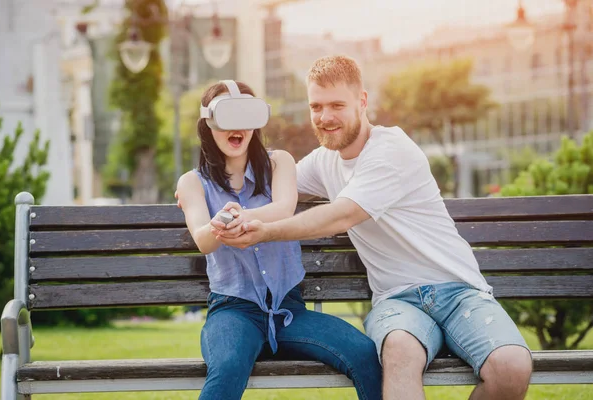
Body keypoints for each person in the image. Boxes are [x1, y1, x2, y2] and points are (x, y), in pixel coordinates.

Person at [202, 57, 534, 400]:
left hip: (459, 289)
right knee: (400, 353)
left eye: (336, 105)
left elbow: (341, 215)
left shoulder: (391, 150)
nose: (324, 116)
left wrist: (266, 231)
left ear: (362, 102)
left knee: (511, 366)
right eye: (316, 106)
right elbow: (266, 186)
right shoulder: (323, 161)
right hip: (396, 300)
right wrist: (204, 192)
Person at [175, 79, 382, 400]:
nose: (239, 127)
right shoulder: (192, 183)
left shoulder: (279, 162)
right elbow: (203, 240)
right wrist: (220, 223)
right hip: (233, 311)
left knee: (364, 353)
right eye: (229, 117)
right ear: (208, 124)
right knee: (228, 367)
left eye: (247, 116)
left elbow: (284, 207)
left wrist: (241, 216)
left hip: (290, 311)